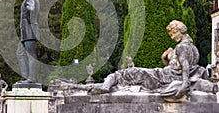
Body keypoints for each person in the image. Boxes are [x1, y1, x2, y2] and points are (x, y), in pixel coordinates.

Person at [89, 20, 217, 100]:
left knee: (124, 73)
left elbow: (185, 67)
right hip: (166, 75)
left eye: (173, 33)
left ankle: (105, 87)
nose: (172, 37)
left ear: (180, 31)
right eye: (171, 35)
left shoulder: (181, 47)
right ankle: (101, 86)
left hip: (162, 77)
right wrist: (164, 58)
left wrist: (184, 84)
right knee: (130, 74)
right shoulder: (193, 48)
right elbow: (182, 67)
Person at [17, 0, 40, 83]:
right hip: (26, 32)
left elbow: (32, 8)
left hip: (30, 31)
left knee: (31, 55)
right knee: (20, 53)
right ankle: (25, 76)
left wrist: (29, 6)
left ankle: (31, 78)